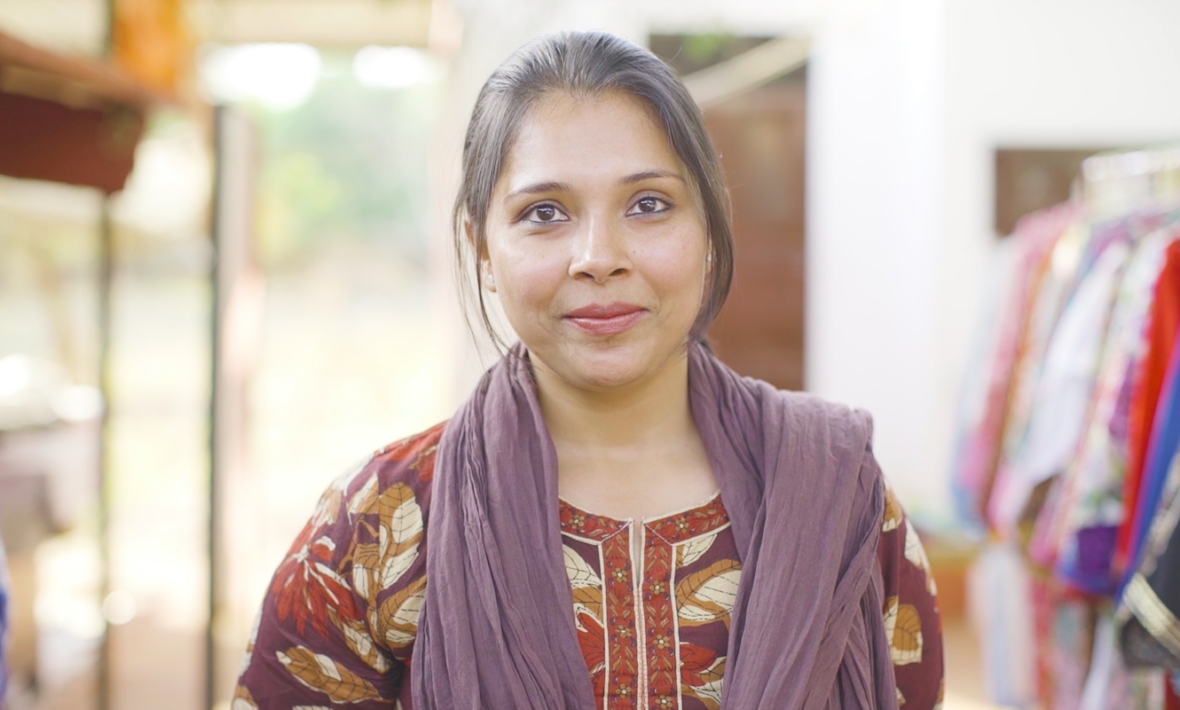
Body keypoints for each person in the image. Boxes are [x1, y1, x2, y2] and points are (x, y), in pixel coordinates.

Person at [235, 31, 943, 710]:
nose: (598, 256)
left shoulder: (839, 497)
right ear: (482, 248)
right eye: (545, 212)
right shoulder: (383, 523)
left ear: (709, 229)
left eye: (649, 205)